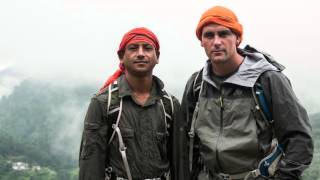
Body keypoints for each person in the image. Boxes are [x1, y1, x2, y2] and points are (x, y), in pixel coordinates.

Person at [180, 5, 313, 180]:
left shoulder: (267, 80)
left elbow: (299, 139)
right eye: (209, 35)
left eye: (224, 33)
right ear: (202, 41)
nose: (217, 41)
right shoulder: (197, 84)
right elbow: (188, 143)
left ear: (237, 38)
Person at [79, 27, 181, 180]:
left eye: (147, 48)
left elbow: (179, 163)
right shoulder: (103, 103)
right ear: (121, 56)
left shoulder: (170, 105)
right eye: (133, 48)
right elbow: (90, 165)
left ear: (157, 56)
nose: (140, 53)